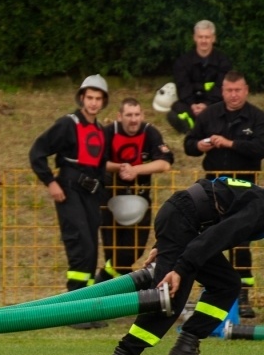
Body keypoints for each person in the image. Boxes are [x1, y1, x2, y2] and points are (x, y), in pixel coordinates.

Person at [104, 176, 264, 355]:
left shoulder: (256, 199)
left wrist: (164, 246)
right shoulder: (260, 209)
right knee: (168, 297)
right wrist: (180, 266)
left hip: (185, 220)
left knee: (226, 284)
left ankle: (186, 347)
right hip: (183, 220)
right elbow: (217, 235)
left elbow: (205, 195)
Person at [29, 74, 110, 329]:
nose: (94, 103)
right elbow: (37, 152)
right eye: (90, 98)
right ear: (82, 98)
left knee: (92, 250)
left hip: (90, 193)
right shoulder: (67, 124)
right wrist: (51, 182)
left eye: (98, 99)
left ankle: (87, 308)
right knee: (80, 246)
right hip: (69, 189)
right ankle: (73, 311)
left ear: (103, 101)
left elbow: (100, 167)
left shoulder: (100, 131)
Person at [184, 71, 264, 318]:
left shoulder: (257, 117)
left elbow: (260, 148)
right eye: (229, 90)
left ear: (246, 90)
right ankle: (210, 292)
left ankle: (243, 298)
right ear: (222, 91)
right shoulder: (209, 114)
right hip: (214, 191)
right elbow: (189, 144)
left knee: (241, 243)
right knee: (209, 239)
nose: (234, 95)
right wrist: (200, 145)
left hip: (246, 191)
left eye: (238, 90)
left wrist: (229, 143)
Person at [96, 98, 174, 283]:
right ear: (119, 116)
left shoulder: (150, 133)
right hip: (109, 199)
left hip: (140, 200)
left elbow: (164, 164)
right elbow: (96, 162)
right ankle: (119, 296)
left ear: (143, 115)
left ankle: (100, 283)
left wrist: (135, 170)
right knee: (114, 252)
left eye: (137, 114)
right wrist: (120, 168)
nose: (133, 119)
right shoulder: (108, 132)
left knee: (133, 250)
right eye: (129, 115)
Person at [167, 20, 232, 134]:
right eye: (200, 37)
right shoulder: (182, 62)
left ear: (213, 38)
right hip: (190, 106)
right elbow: (182, 87)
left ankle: (201, 125)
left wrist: (206, 105)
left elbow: (221, 87)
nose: (203, 41)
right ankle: (194, 128)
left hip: (213, 105)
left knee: (229, 107)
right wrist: (193, 105)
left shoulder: (223, 61)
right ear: (195, 38)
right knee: (175, 109)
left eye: (207, 37)